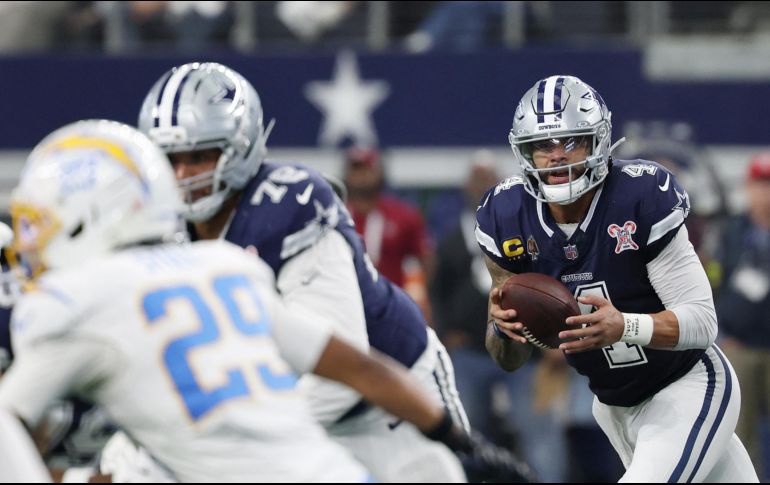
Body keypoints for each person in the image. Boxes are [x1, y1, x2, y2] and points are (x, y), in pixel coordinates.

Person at [0, 119, 495, 482]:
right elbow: (358, 366)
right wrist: (453, 436)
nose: (28, 243)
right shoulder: (222, 267)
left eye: (36, 224)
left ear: (89, 218)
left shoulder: (77, 302)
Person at [137, 62, 481, 483]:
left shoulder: (287, 206)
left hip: (389, 398)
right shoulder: (158, 233)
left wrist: (237, 441)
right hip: (286, 412)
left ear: (240, 145)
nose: (182, 177)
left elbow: (341, 374)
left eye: (199, 156)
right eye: (169, 159)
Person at [476, 75, 759, 482]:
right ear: (524, 152)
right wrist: (504, 330)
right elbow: (508, 359)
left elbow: (702, 322)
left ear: (599, 141)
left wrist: (623, 325)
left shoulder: (640, 196)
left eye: (571, 141)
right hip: (613, 406)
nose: (557, 156)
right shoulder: (506, 217)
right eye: (543, 145)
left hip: (687, 386)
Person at [715, 152, 770, 480]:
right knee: (739, 438)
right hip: (739, 345)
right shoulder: (731, 230)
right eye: (761, 183)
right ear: (748, 187)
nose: (766, 192)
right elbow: (710, 283)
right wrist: (721, 331)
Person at [343, 146, 434, 317]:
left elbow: (426, 258)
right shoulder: (336, 216)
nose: (361, 177)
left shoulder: (403, 215)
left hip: (393, 306)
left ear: (380, 173)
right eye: (356, 170)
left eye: (367, 170)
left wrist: (419, 295)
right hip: (348, 303)